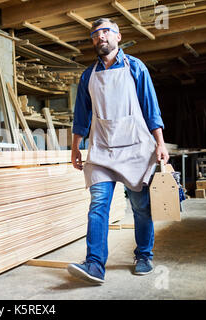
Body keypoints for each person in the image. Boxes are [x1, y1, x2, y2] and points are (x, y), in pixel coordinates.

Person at [67, 18, 169, 284]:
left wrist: (160, 142)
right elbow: (81, 114)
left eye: (105, 32)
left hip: (135, 148)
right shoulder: (88, 75)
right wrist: (76, 146)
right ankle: (95, 264)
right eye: (95, 34)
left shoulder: (136, 67)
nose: (100, 37)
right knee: (98, 205)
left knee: (141, 207)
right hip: (101, 150)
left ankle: (144, 255)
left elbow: (151, 107)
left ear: (118, 37)